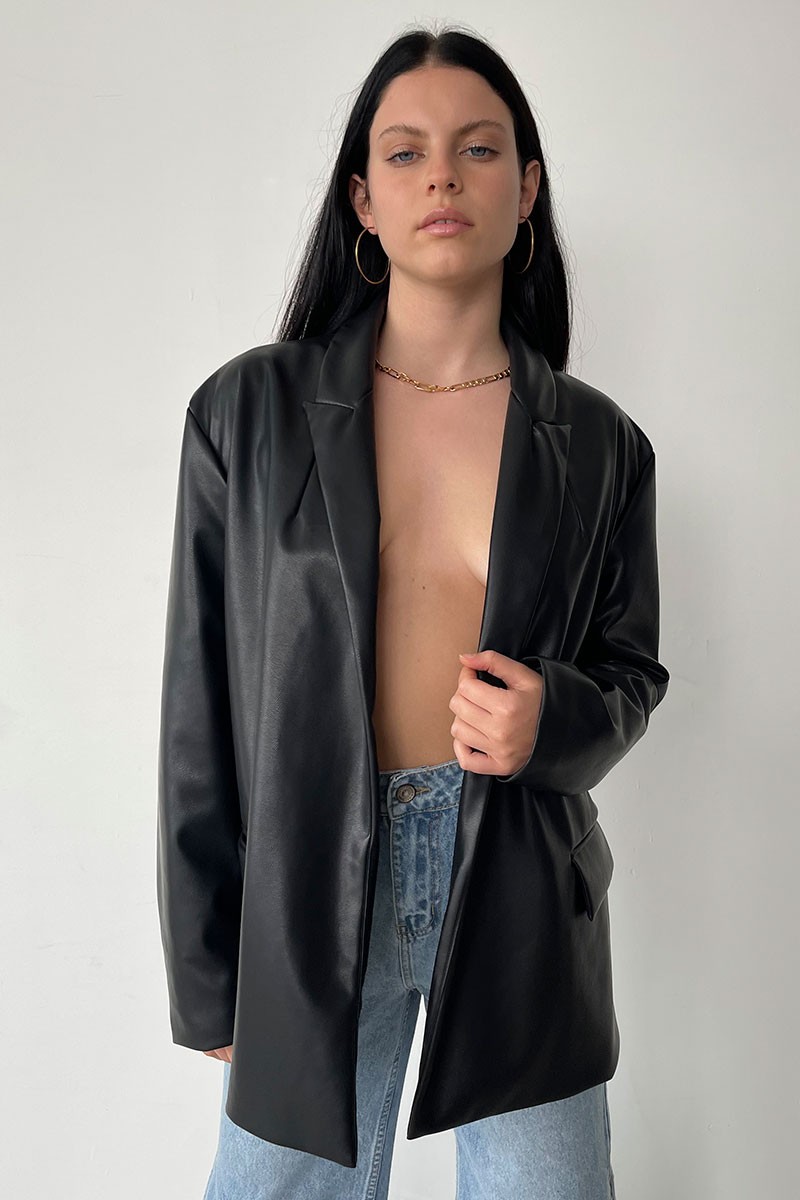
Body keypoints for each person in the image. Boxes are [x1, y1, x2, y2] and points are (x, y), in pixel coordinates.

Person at [157, 22, 669, 1200]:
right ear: (363, 200)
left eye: (478, 149)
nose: (442, 176)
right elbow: (198, 701)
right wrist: (206, 967)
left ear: (525, 190)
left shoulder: (601, 444)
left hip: (520, 888)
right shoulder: (248, 413)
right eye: (405, 153)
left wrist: (552, 719)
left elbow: (631, 673)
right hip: (307, 888)